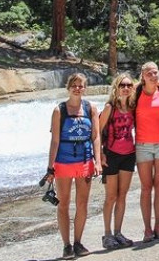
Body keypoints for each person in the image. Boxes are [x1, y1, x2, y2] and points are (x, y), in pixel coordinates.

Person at [43, 73, 102, 259]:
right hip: (64, 162)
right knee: (64, 204)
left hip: (85, 162)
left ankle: (78, 242)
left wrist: (98, 161)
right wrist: (50, 168)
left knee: (82, 204)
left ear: (85, 88)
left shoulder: (91, 108)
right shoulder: (59, 110)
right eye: (74, 85)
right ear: (68, 87)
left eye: (81, 85)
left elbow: (96, 137)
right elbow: (54, 141)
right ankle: (66, 245)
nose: (77, 88)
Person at [134, 61, 159, 242]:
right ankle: (147, 228)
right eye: (149, 73)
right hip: (142, 145)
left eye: (155, 73)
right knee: (146, 188)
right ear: (142, 75)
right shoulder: (135, 92)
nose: (152, 76)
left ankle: (158, 225)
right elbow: (118, 98)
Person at [99, 73, 137, 250]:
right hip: (112, 154)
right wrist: (100, 154)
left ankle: (118, 232)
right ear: (117, 87)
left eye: (129, 85)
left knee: (122, 195)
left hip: (129, 155)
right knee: (111, 196)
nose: (126, 88)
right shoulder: (110, 107)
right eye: (123, 85)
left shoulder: (132, 107)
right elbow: (97, 132)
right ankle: (107, 235)